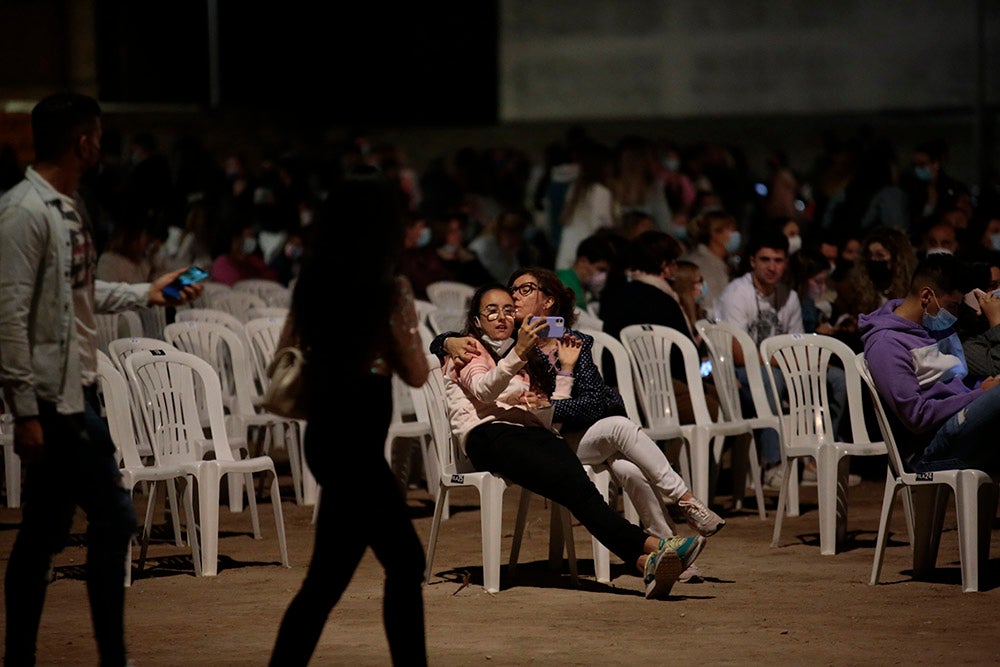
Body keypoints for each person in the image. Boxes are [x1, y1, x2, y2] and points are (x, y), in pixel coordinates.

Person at [0, 91, 204, 667]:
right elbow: (8, 315)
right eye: (97, 136)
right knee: (112, 517)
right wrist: (26, 410)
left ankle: (23, 657)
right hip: (52, 401)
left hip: (75, 391)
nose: (101, 146)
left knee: (43, 533)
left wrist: (147, 290)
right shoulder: (22, 213)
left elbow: (79, 295)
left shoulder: (69, 208)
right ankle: (111, 656)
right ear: (82, 140)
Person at [440, 283, 706, 600]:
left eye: (508, 310)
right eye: (492, 311)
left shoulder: (532, 358)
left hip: (530, 433)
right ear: (476, 320)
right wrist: (517, 356)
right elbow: (484, 390)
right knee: (576, 485)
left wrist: (561, 371)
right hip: (488, 435)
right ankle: (657, 542)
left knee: (578, 488)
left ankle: (645, 560)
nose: (502, 316)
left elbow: (551, 411)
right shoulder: (469, 349)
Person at [270, 165, 431, 666]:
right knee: (404, 562)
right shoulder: (390, 289)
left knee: (327, 579)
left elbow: (284, 352)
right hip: (360, 444)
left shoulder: (311, 283)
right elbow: (418, 372)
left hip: (325, 439)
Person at [715, 230, 849, 488]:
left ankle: (816, 459)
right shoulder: (737, 293)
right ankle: (774, 465)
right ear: (753, 261)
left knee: (837, 378)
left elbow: (796, 345)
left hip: (781, 366)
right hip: (740, 372)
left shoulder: (789, 296)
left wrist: (812, 363)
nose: (772, 267)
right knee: (771, 377)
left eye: (778, 260)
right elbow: (739, 353)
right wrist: (786, 362)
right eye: (765, 260)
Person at [859, 252, 1000, 474]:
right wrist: (981, 395)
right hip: (928, 449)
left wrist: (982, 388)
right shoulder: (887, 344)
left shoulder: (933, 328)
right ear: (926, 296)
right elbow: (917, 417)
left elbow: (958, 384)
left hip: (960, 428)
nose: (954, 315)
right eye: (952, 306)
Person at [209, 217, 279, 286]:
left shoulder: (254, 261)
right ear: (236, 239)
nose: (252, 240)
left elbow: (271, 279)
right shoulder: (222, 263)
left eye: (253, 236)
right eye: (249, 236)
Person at [556, 232, 617, 310]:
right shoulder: (563, 282)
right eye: (600, 269)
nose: (603, 275)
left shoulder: (580, 286)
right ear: (583, 261)